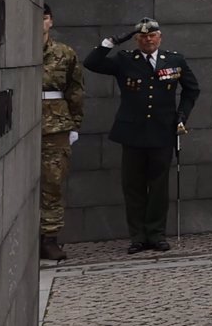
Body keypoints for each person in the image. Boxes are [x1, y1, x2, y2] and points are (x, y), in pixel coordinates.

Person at [84, 18, 201, 253]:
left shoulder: (175, 60)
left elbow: (192, 89)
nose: (148, 39)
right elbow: (92, 63)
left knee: (158, 187)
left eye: (152, 35)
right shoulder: (125, 60)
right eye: (143, 36)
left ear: (160, 37)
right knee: (134, 186)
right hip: (133, 132)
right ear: (137, 39)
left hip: (162, 131)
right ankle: (137, 236)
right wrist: (111, 42)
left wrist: (182, 116)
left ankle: (156, 234)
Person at [38, 4, 85, 262]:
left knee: (52, 183)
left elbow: (76, 91)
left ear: (51, 22)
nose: (40, 23)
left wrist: (74, 125)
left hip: (55, 126)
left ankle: (49, 238)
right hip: (22, 123)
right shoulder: (18, 49)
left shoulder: (64, 54)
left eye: (44, 18)